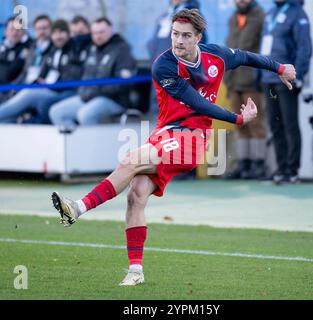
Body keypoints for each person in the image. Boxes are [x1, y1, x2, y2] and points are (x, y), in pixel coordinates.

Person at [51, 9, 296, 286]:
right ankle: (135, 271)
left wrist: (279, 68)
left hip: (192, 138)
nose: (178, 41)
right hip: (166, 134)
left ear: (198, 38)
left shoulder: (216, 56)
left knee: (131, 159)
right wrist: (237, 117)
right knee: (137, 193)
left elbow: (246, 57)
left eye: (186, 36)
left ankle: (78, 208)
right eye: (175, 34)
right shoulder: (163, 65)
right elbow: (197, 101)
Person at [49, 17, 136, 128]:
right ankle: (78, 142)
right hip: (88, 97)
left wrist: (96, 90)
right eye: (94, 33)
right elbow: (85, 76)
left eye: (101, 32)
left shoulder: (122, 50)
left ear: (111, 31)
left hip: (113, 100)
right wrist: (84, 91)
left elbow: (124, 83)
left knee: (85, 115)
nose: (98, 36)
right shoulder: (92, 49)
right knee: (56, 112)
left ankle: (97, 144)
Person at [260, 0, 312, 184]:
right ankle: (281, 169)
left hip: (286, 79)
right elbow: (264, 48)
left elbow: (304, 47)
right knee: (275, 125)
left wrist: (298, 75)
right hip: (268, 79)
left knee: (290, 125)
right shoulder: (271, 12)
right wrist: (258, 74)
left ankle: (292, 170)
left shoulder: (297, 12)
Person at [0, 19, 84, 124]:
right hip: (37, 86)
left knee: (28, 93)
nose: (42, 31)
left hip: (54, 90)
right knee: (8, 116)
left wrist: (48, 84)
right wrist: (16, 85)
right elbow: (28, 72)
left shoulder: (70, 49)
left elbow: (71, 75)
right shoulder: (35, 47)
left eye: (45, 28)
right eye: (39, 28)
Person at [224, 0, 266, 180]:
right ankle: (244, 164)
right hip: (233, 81)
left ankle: (259, 165)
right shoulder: (233, 18)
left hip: (251, 81)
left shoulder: (261, 17)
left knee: (256, 125)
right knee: (239, 124)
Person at [0, 16, 32, 102]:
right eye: (11, 29)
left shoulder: (27, 48)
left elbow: (12, 72)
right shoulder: (3, 47)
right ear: (6, 31)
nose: (14, 33)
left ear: (23, 32)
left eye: (18, 30)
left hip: (13, 90)